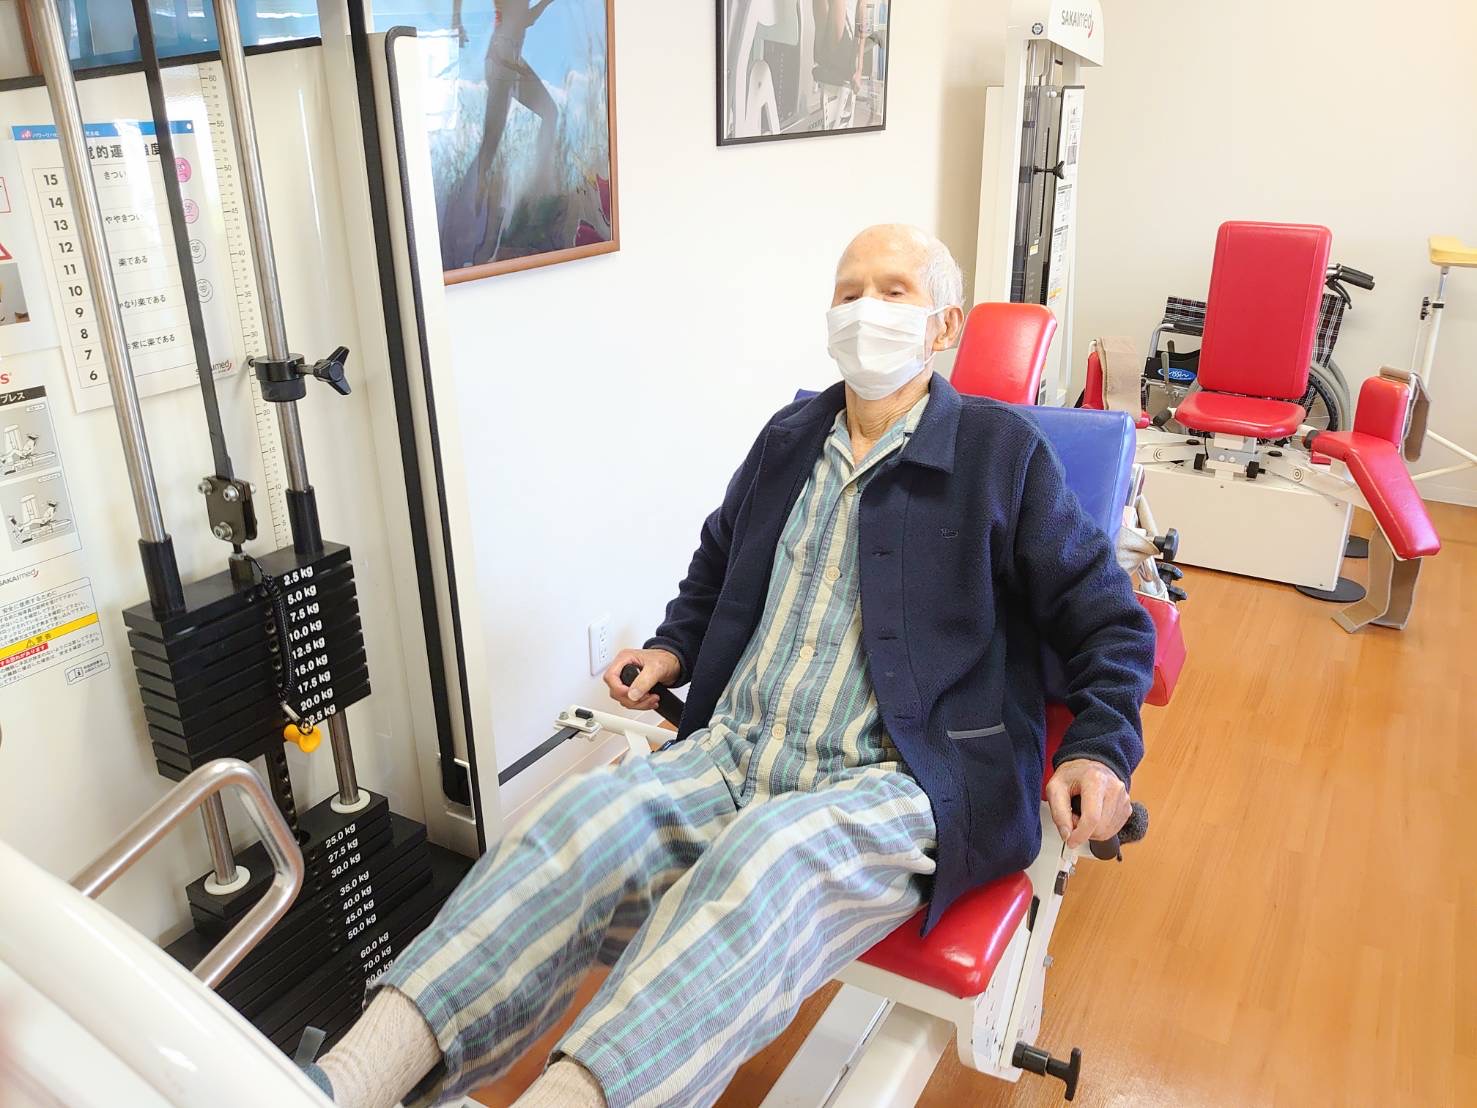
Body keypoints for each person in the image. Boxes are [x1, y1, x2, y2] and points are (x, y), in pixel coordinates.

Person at [305, 224, 1155, 1108]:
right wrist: (671, 647)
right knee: (571, 824)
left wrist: (1099, 747)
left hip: (894, 779)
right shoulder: (789, 437)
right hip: (732, 750)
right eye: (849, 290)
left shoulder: (1000, 455)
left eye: (893, 290)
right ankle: (341, 1085)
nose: (865, 309)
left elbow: (1107, 621)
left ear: (944, 326)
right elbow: (718, 564)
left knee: (763, 862)